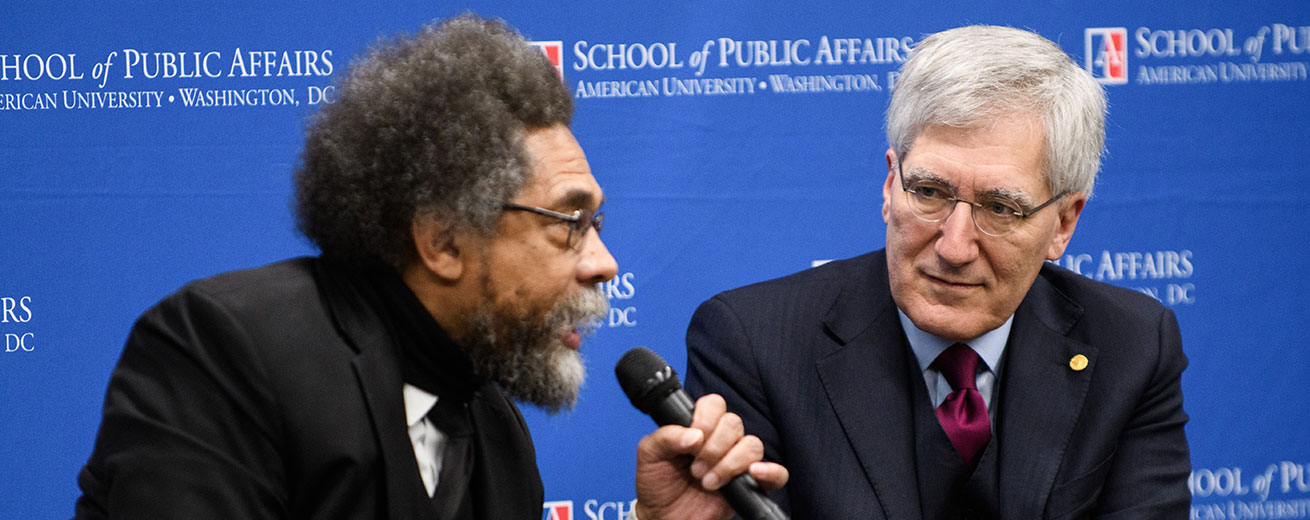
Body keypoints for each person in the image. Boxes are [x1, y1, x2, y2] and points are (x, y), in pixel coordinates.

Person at [74, 14, 785, 520]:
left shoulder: (496, 428)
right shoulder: (232, 349)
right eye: (571, 224)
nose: (604, 263)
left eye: (597, 225)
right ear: (443, 240)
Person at [684, 25, 1189, 519]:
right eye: (928, 192)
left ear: (1063, 223)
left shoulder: (1132, 346)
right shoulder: (754, 343)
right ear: (889, 187)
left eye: (1000, 208)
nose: (954, 246)